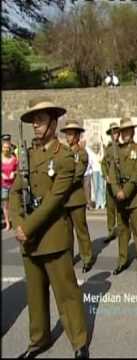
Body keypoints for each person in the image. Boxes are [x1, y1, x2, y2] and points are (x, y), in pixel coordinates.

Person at [9, 96, 89, 358]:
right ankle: (38, 339)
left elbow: (56, 198)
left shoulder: (65, 156)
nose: (36, 125)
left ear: (54, 122)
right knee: (35, 295)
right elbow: (15, 192)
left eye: (41, 119)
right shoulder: (27, 156)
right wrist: (19, 224)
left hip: (53, 234)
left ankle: (79, 341)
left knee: (66, 293)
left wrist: (27, 226)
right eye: (33, 120)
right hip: (29, 238)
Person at [108, 117, 137, 277]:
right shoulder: (114, 150)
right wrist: (116, 190)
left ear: (132, 131)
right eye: (122, 130)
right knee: (122, 231)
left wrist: (125, 191)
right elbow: (111, 174)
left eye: (127, 130)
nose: (125, 133)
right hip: (119, 196)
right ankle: (122, 260)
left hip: (133, 196)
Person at [60, 120, 95, 273]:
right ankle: (68, 257)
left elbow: (77, 174)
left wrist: (61, 183)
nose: (67, 137)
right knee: (66, 232)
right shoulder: (64, 152)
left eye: (70, 134)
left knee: (81, 230)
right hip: (64, 199)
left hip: (76, 197)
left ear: (77, 136)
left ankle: (87, 257)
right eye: (66, 134)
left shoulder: (81, 153)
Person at [101, 122, 120, 243]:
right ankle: (111, 230)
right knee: (110, 208)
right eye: (112, 132)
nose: (115, 135)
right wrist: (105, 175)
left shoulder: (122, 147)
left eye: (116, 132)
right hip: (109, 183)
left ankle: (122, 229)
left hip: (119, 183)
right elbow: (103, 164)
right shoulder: (108, 150)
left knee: (120, 208)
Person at [2, 134, 17, 231]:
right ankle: (8, 223)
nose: (6, 149)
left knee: (15, 204)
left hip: (13, 184)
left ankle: (15, 221)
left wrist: (14, 173)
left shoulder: (14, 159)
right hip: (3, 185)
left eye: (7, 147)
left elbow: (19, 170)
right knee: (5, 205)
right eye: (4, 147)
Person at [91, 142, 105, 209]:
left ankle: (102, 202)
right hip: (94, 172)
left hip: (100, 172)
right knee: (96, 187)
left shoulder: (100, 154)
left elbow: (102, 155)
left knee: (101, 187)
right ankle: (97, 202)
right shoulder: (92, 155)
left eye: (97, 148)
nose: (96, 149)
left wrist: (101, 146)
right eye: (95, 148)